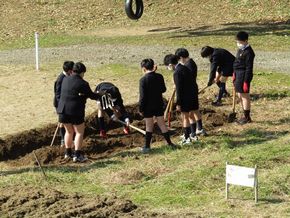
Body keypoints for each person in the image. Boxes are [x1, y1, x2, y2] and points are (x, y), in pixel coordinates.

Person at [57, 62, 100, 162]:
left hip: (63, 111)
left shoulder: (65, 79)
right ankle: (77, 155)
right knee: (79, 132)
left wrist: (81, 95)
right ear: (81, 73)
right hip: (75, 111)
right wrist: (100, 94)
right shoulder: (83, 83)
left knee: (68, 131)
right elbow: (92, 95)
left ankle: (67, 153)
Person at [139, 58, 177, 153]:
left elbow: (142, 97)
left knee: (149, 126)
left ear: (144, 68)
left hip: (148, 106)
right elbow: (163, 89)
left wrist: (141, 108)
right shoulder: (159, 76)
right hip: (159, 104)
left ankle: (147, 147)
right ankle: (170, 143)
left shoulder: (143, 80)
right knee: (162, 124)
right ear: (153, 66)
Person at [164, 54, 199, 145]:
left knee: (185, 117)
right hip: (192, 95)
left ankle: (187, 138)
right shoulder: (185, 68)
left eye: (167, 66)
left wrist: (178, 103)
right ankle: (193, 134)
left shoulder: (177, 72)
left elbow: (179, 89)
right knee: (191, 115)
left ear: (171, 65)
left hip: (185, 97)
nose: (168, 68)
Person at [175, 48, 207, 137]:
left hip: (189, 90)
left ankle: (193, 131)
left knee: (191, 112)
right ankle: (199, 129)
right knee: (194, 110)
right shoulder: (189, 63)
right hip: (192, 89)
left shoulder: (189, 65)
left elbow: (189, 79)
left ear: (181, 57)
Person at [233, 31, 255, 125]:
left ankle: (247, 117)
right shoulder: (240, 50)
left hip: (244, 75)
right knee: (239, 95)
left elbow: (249, 68)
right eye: (237, 42)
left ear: (246, 41)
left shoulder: (249, 52)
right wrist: (234, 73)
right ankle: (244, 114)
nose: (239, 44)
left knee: (244, 96)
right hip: (237, 74)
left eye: (240, 42)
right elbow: (236, 61)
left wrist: (246, 81)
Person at [53, 61, 74, 146]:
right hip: (60, 103)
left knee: (66, 121)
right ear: (69, 70)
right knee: (62, 122)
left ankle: (67, 138)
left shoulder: (68, 76)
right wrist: (60, 107)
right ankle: (63, 139)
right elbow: (57, 94)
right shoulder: (61, 79)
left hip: (66, 103)